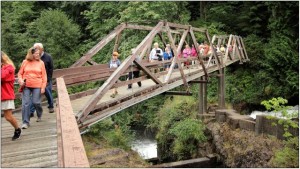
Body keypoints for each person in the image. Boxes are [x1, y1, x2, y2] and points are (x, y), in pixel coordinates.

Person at [18, 47, 47, 129]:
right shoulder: (25, 62)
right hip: (26, 85)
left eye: (39, 53)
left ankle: (39, 113)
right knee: (25, 104)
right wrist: (20, 80)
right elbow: (20, 74)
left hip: (37, 84)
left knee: (36, 102)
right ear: (32, 54)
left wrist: (43, 87)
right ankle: (25, 122)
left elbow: (44, 76)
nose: (38, 55)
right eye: (36, 54)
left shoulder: (41, 63)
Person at [1, 51, 22, 140]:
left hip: (5, 95)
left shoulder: (9, 68)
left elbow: (1, 76)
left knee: (8, 117)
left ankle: (17, 129)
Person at [30, 43, 54, 117]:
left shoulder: (48, 57)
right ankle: (31, 111)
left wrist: (48, 79)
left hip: (46, 79)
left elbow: (51, 68)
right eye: (35, 49)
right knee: (35, 95)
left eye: (37, 48)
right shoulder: (34, 57)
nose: (36, 50)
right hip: (37, 79)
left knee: (48, 93)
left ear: (42, 49)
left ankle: (51, 106)